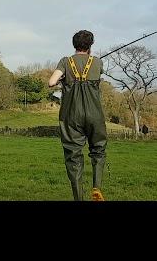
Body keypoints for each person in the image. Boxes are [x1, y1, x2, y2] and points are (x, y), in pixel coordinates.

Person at [49, 30, 107, 201]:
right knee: (98, 149)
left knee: (73, 155)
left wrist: (63, 79)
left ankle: (78, 198)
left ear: (74, 44)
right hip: (94, 115)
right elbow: (97, 72)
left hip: (71, 116)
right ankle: (96, 188)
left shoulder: (65, 61)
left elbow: (51, 82)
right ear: (90, 45)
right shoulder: (97, 62)